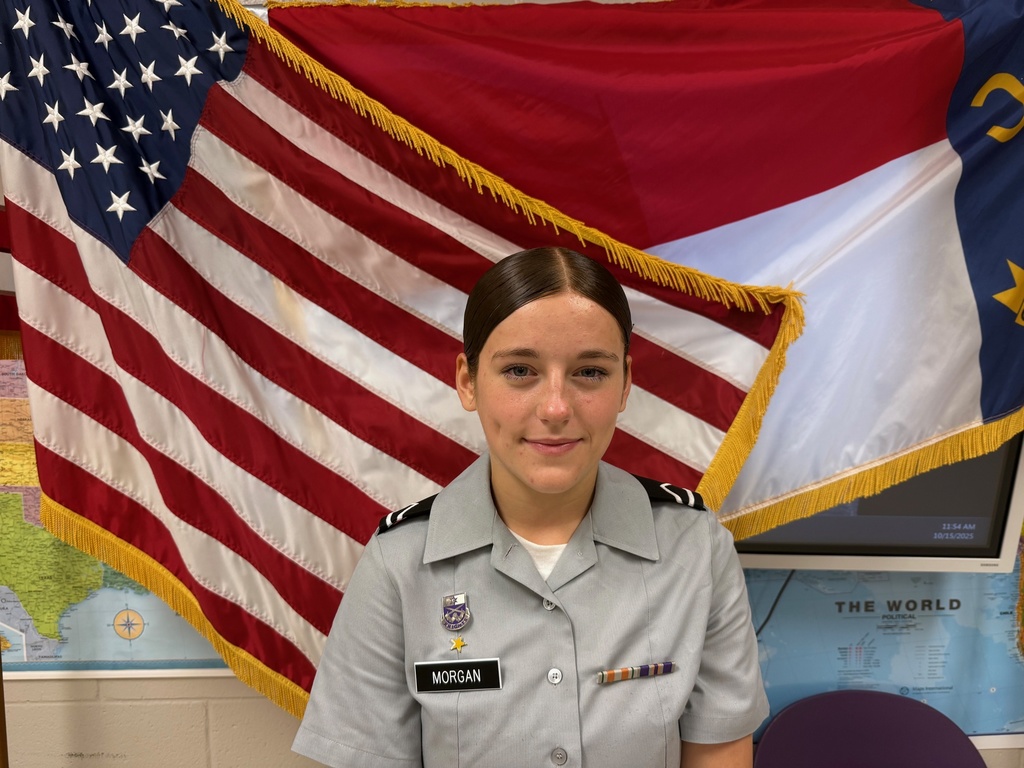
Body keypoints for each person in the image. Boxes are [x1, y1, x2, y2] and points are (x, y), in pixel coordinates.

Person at [292, 246, 769, 768]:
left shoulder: (694, 550)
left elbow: (718, 753)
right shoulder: (400, 563)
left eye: (590, 373)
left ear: (626, 384)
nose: (556, 408)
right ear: (468, 382)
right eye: (521, 370)